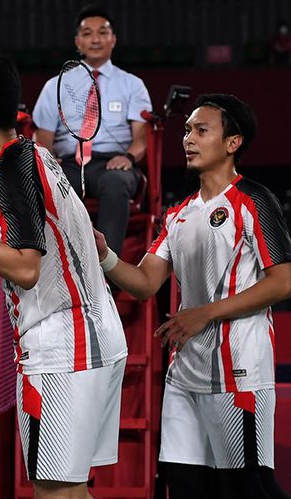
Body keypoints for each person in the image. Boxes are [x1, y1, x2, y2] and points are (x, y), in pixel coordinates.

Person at [0, 47, 127, 499]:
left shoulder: (12, 169)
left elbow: (26, 269)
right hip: (94, 338)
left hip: (62, 346)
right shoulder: (31, 157)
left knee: (54, 493)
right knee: (70, 492)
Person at [94, 94, 291, 498]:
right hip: (184, 377)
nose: (189, 138)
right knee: (184, 486)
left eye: (201, 130)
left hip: (240, 374)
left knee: (249, 489)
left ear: (232, 143)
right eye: (187, 130)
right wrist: (105, 255)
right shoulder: (178, 213)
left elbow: (283, 281)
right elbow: (146, 281)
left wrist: (203, 314)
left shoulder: (255, 200)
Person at [32, 4, 152, 256]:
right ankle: (66, 267)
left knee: (115, 182)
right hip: (69, 164)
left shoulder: (132, 85)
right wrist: (51, 164)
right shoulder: (56, 84)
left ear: (113, 40)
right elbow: (42, 138)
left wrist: (128, 158)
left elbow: (142, 139)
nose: (95, 39)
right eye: (87, 33)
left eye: (103, 32)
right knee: (57, 186)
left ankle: (108, 273)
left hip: (115, 163)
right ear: (78, 42)